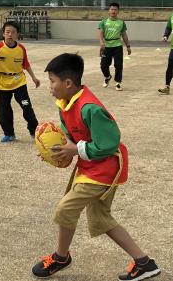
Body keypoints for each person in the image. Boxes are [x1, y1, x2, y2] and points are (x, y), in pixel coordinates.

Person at [32, 53, 161, 281]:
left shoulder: (90, 108)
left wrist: (75, 150)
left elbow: (108, 143)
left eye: (52, 81)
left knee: (65, 209)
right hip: (91, 166)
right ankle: (144, 263)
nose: (50, 86)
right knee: (101, 219)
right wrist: (58, 154)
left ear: (68, 83)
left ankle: (61, 257)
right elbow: (73, 141)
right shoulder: (65, 104)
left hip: (106, 168)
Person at [0, 20, 40, 143]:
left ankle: (34, 132)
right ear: (3, 34)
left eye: (13, 32)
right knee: (4, 111)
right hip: (3, 83)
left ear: (17, 34)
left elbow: (26, 64)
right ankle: (9, 134)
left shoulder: (21, 48)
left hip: (19, 81)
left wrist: (34, 77)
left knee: (27, 107)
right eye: (7, 32)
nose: (10, 35)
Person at [98, 2, 131, 91]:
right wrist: (101, 43)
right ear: (109, 11)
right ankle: (107, 77)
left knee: (118, 65)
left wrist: (128, 46)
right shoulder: (104, 22)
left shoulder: (121, 22)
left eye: (115, 9)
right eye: (112, 9)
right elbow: (100, 33)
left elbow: (124, 34)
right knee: (103, 65)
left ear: (118, 11)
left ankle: (118, 83)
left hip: (117, 46)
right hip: (106, 46)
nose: (113, 11)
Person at [158, 15, 173, 94]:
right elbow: (169, 28)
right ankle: (167, 87)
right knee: (170, 67)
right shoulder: (171, 17)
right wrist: (165, 36)